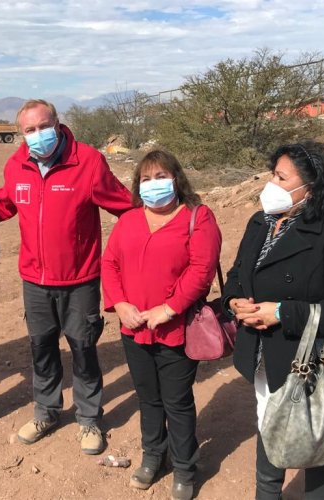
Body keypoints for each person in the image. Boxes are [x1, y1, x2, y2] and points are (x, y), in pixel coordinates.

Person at [222, 141, 324, 500]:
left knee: (317, 436)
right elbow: (238, 274)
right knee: (269, 423)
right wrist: (235, 302)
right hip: (264, 353)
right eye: (273, 173)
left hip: (315, 360)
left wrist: (280, 313)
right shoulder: (261, 222)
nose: (270, 183)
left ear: (312, 186)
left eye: (281, 177)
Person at [0, 99, 133, 455]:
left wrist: (164, 223)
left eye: (43, 126)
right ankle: (46, 411)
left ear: (57, 122)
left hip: (80, 279)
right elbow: (4, 204)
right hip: (34, 281)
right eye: (29, 130)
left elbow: (124, 206)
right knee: (42, 350)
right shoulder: (16, 164)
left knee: (83, 349)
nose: (38, 135)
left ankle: (88, 418)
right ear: (21, 134)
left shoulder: (87, 161)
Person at [101, 150, 221, 499]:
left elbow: (202, 271)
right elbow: (110, 263)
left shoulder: (198, 218)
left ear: (176, 179)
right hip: (133, 327)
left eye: (161, 177)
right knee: (148, 397)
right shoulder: (129, 220)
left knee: (176, 399)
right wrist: (120, 303)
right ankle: (153, 455)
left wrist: (168, 309)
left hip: (176, 329)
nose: (154, 185)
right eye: (146, 179)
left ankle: (185, 468)